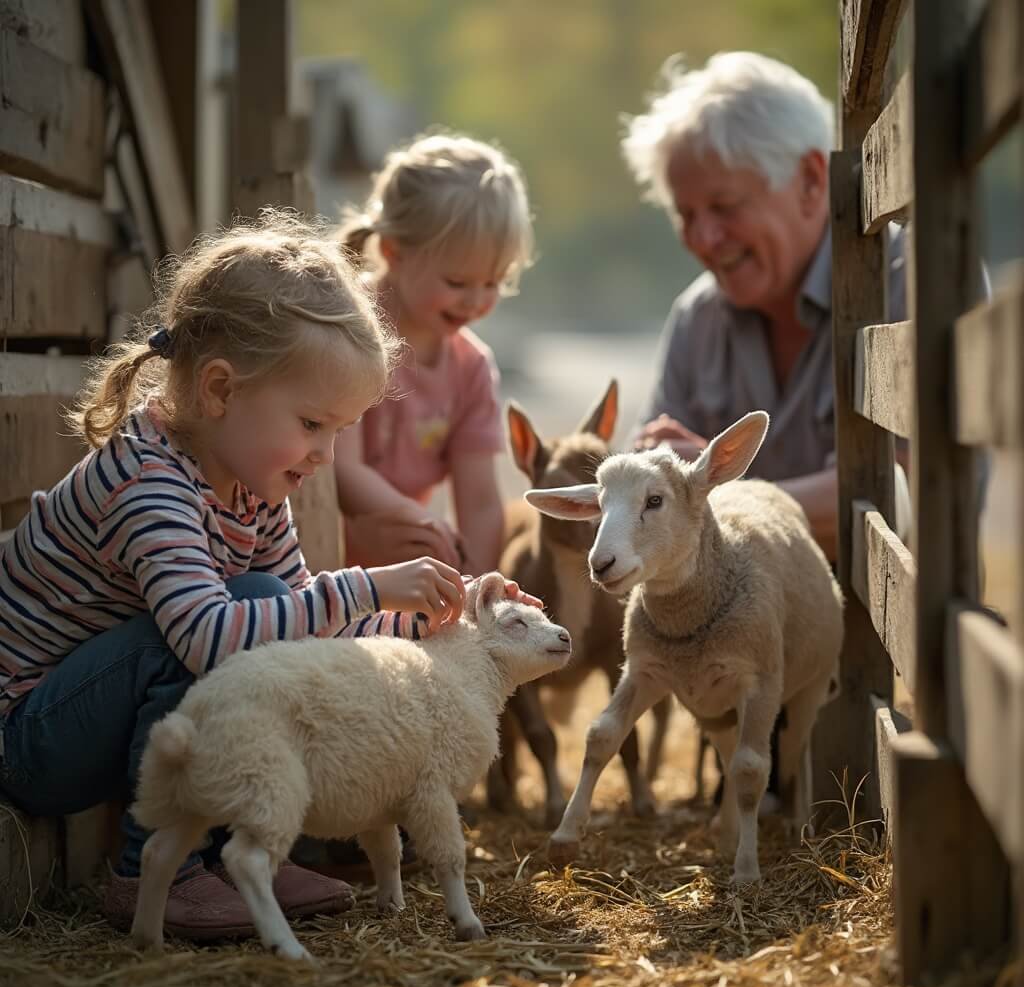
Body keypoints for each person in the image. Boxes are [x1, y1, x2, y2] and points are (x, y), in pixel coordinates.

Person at [0, 210, 537, 940]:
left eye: (340, 432)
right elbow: (208, 640)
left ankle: (238, 848)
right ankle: (156, 875)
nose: (325, 454)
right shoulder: (150, 485)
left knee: (267, 603)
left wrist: (432, 621)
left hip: (100, 715)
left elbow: (307, 620)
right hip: (32, 736)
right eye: (313, 424)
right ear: (221, 391)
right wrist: (368, 585)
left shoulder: (250, 484)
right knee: (231, 616)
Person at [622, 51, 906, 565]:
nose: (704, 239)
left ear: (811, 180)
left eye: (726, 206)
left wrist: (708, 486)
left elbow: (904, 491)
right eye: (686, 214)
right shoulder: (696, 318)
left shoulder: (906, 280)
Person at [333, 132, 534, 578]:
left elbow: (480, 502)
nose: (476, 301)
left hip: (403, 552)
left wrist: (478, 587)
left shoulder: (470, 369)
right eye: (459, 283)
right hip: (318, 547)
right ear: (394, 253)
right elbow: (340, 469)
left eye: (493, 282)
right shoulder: (342, 329)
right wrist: (418, 521)